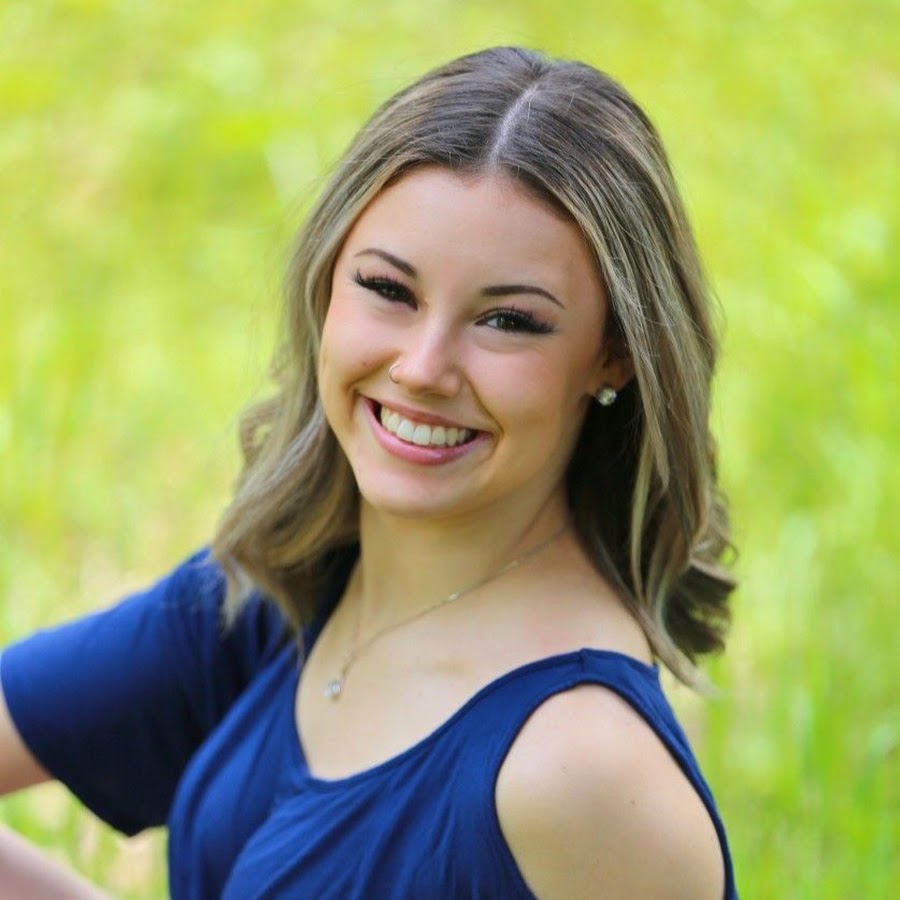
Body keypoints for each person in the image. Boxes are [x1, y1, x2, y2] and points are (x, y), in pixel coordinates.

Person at [0, 46, 738, 898]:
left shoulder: (583, 772)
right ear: (326, 285)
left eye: (507, 320)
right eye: (389, 289)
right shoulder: (277, 590)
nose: (422, 368)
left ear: (613, 357)